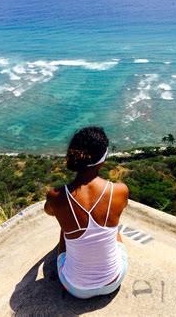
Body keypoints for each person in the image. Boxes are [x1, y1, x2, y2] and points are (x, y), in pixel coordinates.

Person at [44, 126, 129, 299]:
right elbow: (122, 207)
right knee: (114, 229)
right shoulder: (119, 191)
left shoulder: (56, 196)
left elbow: (49, 211)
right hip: (113, 281)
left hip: (75, 288)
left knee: (65, 228)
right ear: (103, 159)